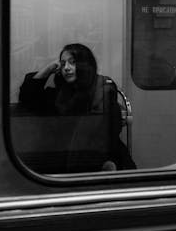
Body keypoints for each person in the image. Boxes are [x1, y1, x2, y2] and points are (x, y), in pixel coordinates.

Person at [19, 43, 135, 172]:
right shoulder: (60, 94)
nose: (66, 68)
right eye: (63, 64)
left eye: (72, 62)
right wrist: (48, 69)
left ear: (84, 65)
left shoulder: (102, 90)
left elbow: (110, 132)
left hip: (100, 157)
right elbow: (27, 98)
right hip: (67, 158)